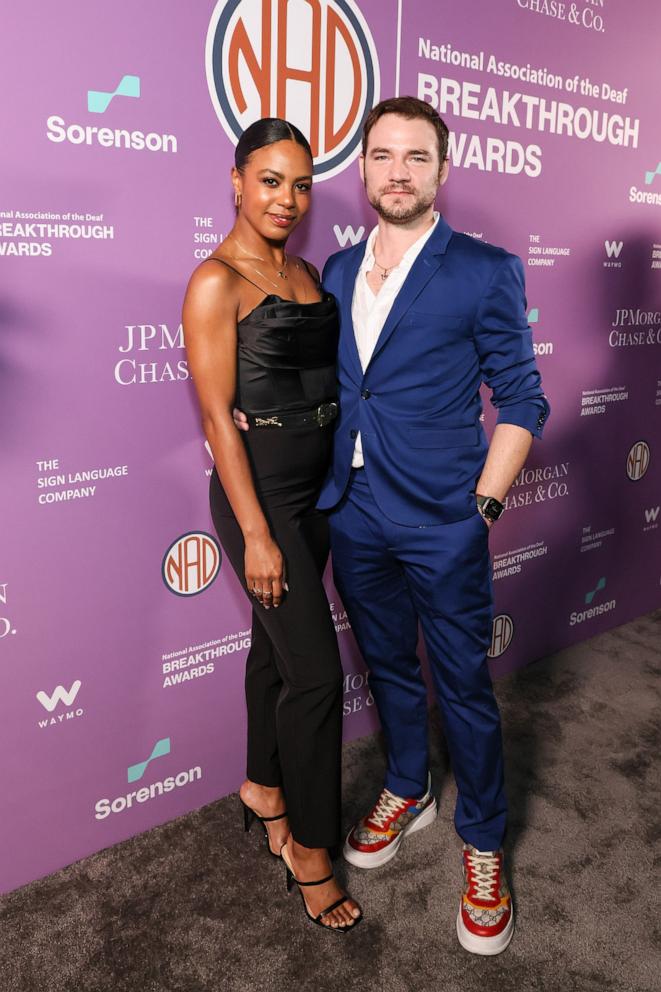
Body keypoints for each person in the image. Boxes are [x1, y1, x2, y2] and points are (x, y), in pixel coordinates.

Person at [236, 96, 549, 953]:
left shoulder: (485, 269)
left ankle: (483, 842)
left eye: (417, 157)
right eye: (382, 156)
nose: (398, 171)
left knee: (463, 685)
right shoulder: (332, 272)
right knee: (385, 666)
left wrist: (481, 506)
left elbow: (522, 398)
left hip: (444, 515)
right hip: (355, 512)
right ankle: (407, 784)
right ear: (363, 168)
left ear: (442, 171)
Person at [182, 118, 362, 933]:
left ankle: (262, 784)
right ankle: (312, 850)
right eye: (269, 181)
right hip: (262, 500)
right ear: (235, 180)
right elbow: (219, 419)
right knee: (318, 676)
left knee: (273, 651)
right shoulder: (215, 281)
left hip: (318, 489)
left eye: (299, 184)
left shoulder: (303, 269)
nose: (285, 199)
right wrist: (254, 532)